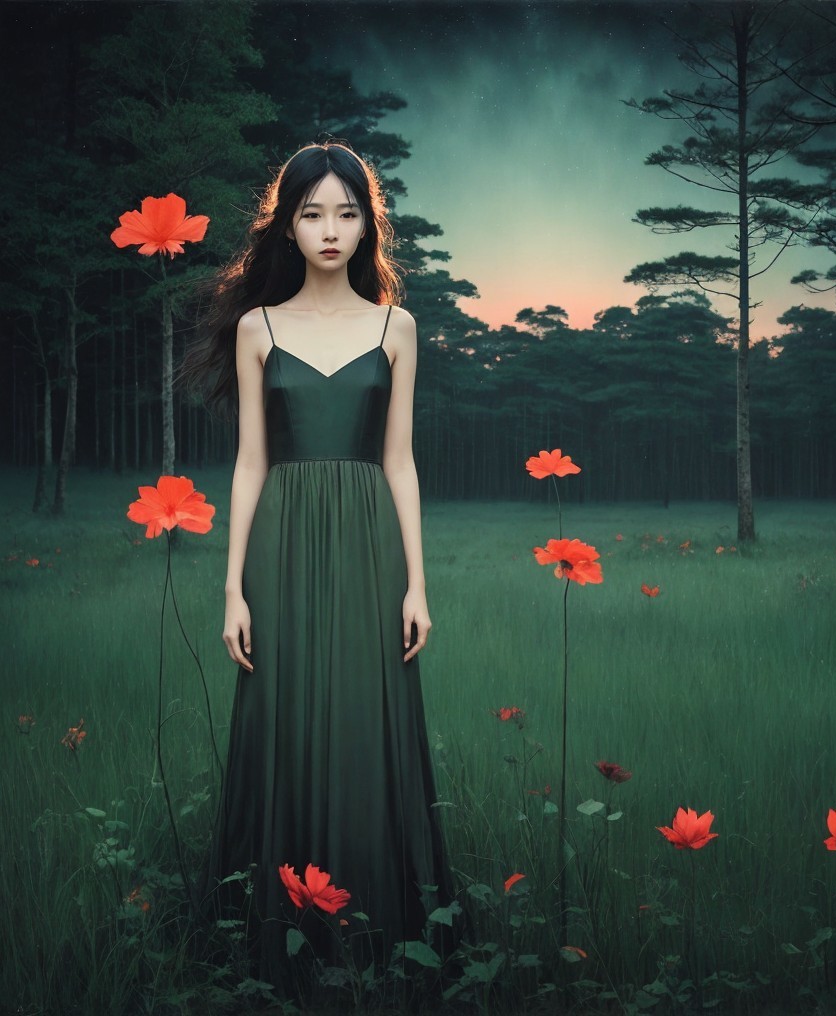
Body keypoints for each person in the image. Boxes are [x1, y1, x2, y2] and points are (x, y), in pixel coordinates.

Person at [183, 141, 463, 1002]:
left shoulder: (396, 326)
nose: (331, 229)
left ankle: (381, 932)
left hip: (372, 543)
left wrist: (418, 583)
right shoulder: (257, 329)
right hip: (283, 545)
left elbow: (402, 462)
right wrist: (233, 588)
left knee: (367, 716)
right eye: (312, 212)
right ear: (288, 223)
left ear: (367, 223)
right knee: (284, 718)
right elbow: (250, 464)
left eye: (347, 212)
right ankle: (276, 938)